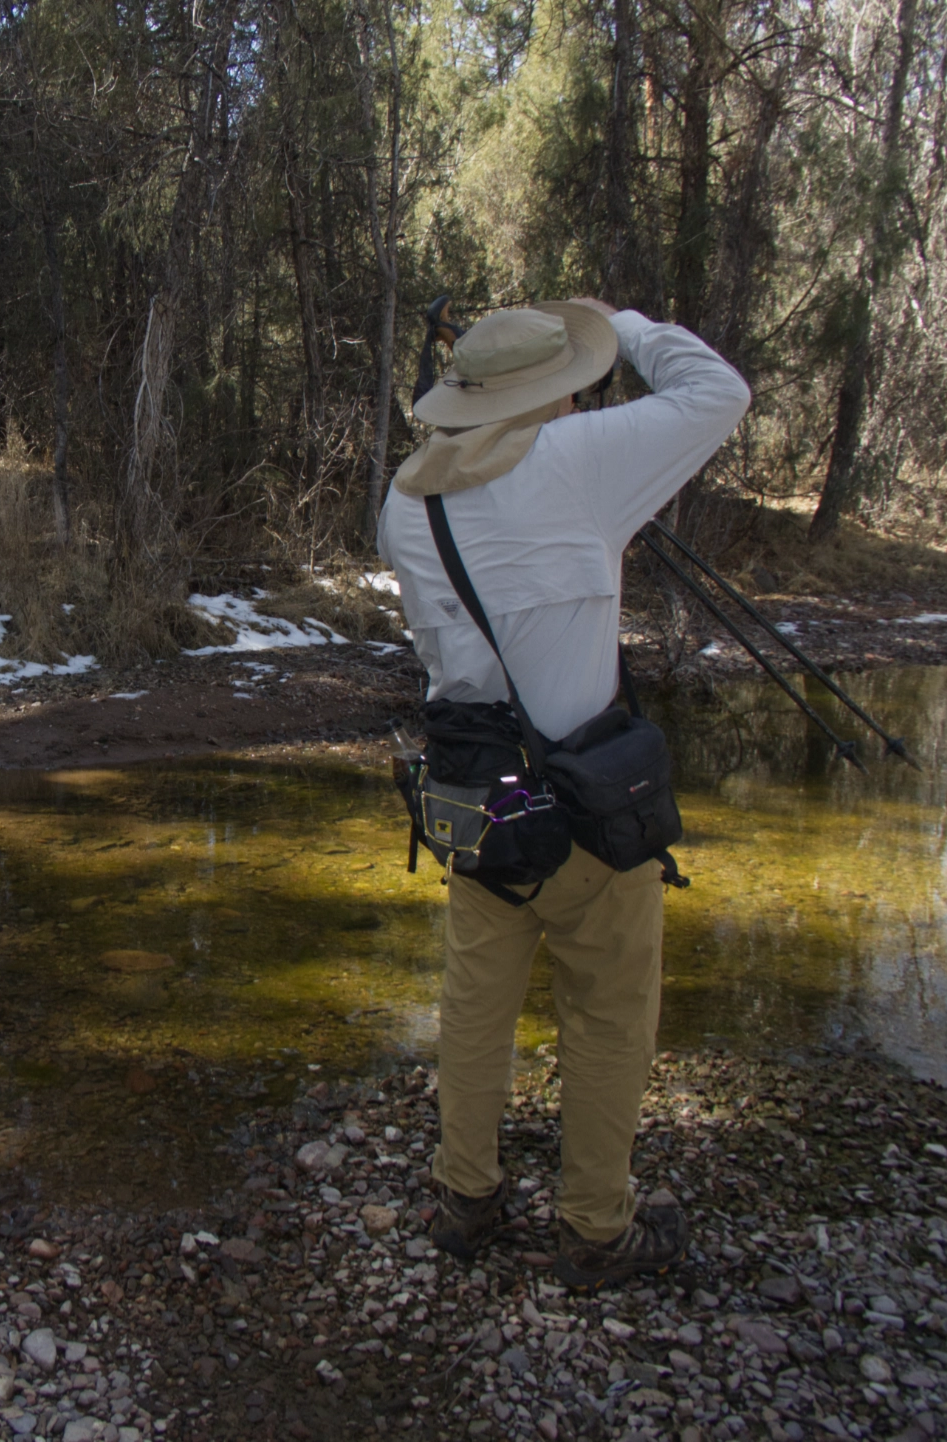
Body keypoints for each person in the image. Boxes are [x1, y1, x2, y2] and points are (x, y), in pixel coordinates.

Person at [377, 297, 751, 1290]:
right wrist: (623, 324)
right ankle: (593, 1227)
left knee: (475, 1004)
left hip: (477, 800)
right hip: (588, 801)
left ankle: (466, 1197)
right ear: (552, 391)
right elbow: (720, 391)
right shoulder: (582, 463)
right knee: (608, 1015)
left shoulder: (403, 504)